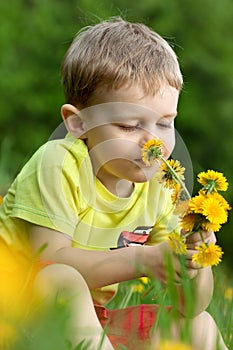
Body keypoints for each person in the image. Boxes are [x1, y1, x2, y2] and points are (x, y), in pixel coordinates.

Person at [0, 18, 228, 350]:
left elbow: (191, 305)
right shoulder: (58, 162)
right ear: (78, 123)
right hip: (16, 315)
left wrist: (192, 264)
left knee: (197, 325)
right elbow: (47, 266)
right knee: (60, 279)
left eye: (165, 124)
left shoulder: (163, 188)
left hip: (92, 322)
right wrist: (145, 259)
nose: (154, 143)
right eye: (127, 125)